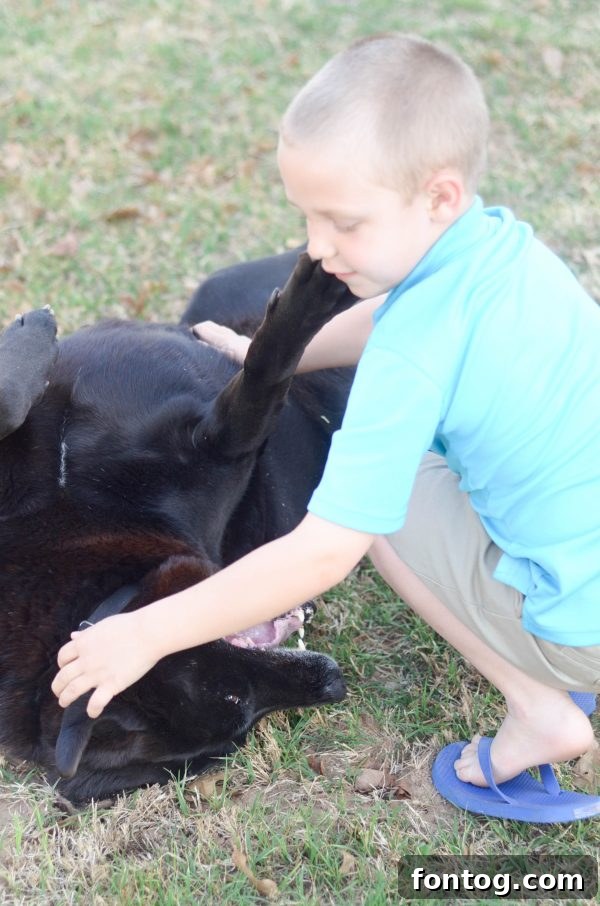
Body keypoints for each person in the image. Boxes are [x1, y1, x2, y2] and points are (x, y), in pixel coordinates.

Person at [52, 33, 600, 821]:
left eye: (343, 223)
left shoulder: (412, 359)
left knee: (368, 491)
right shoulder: (503, 247)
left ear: (438, 197)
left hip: (577, 619)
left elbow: (321, 553)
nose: (316, 247)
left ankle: (537, 706)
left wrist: (146, 633)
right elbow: (392, 313)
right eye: (307, 218)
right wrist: (265, 352)